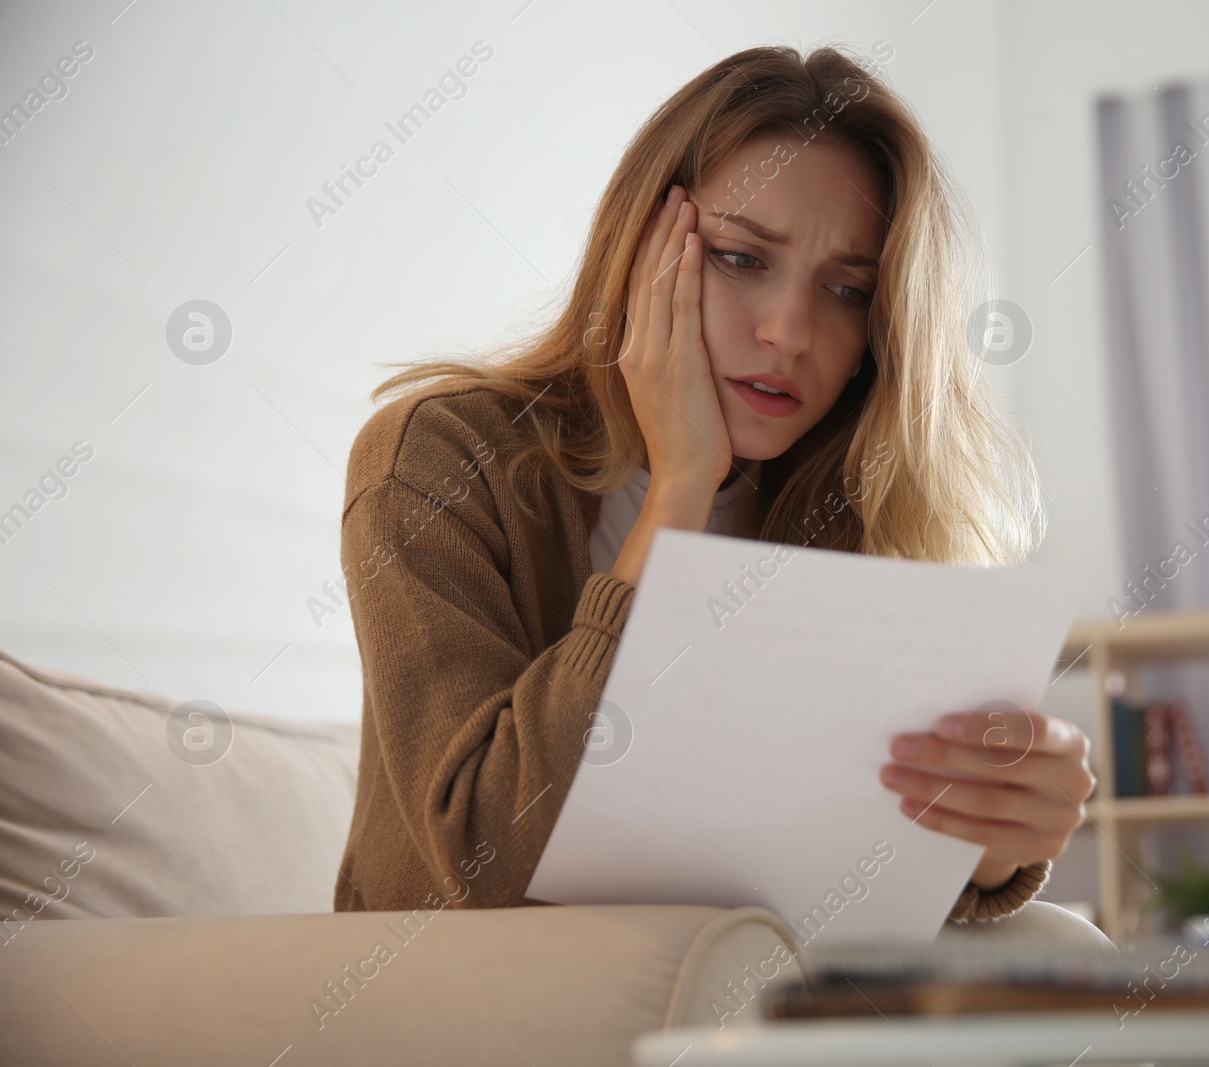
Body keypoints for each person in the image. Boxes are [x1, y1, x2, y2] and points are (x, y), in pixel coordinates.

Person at [333, 43, 1097, 923]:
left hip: (730, 984)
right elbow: (484, 851)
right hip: (478, 991)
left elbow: (846, 874)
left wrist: (990, 846)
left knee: (1063, 934)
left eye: (848, 290)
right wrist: (683, 485)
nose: (790, 331)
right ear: (641, 250)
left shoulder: (851, 507)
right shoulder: (438, 456)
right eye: (740, 258)